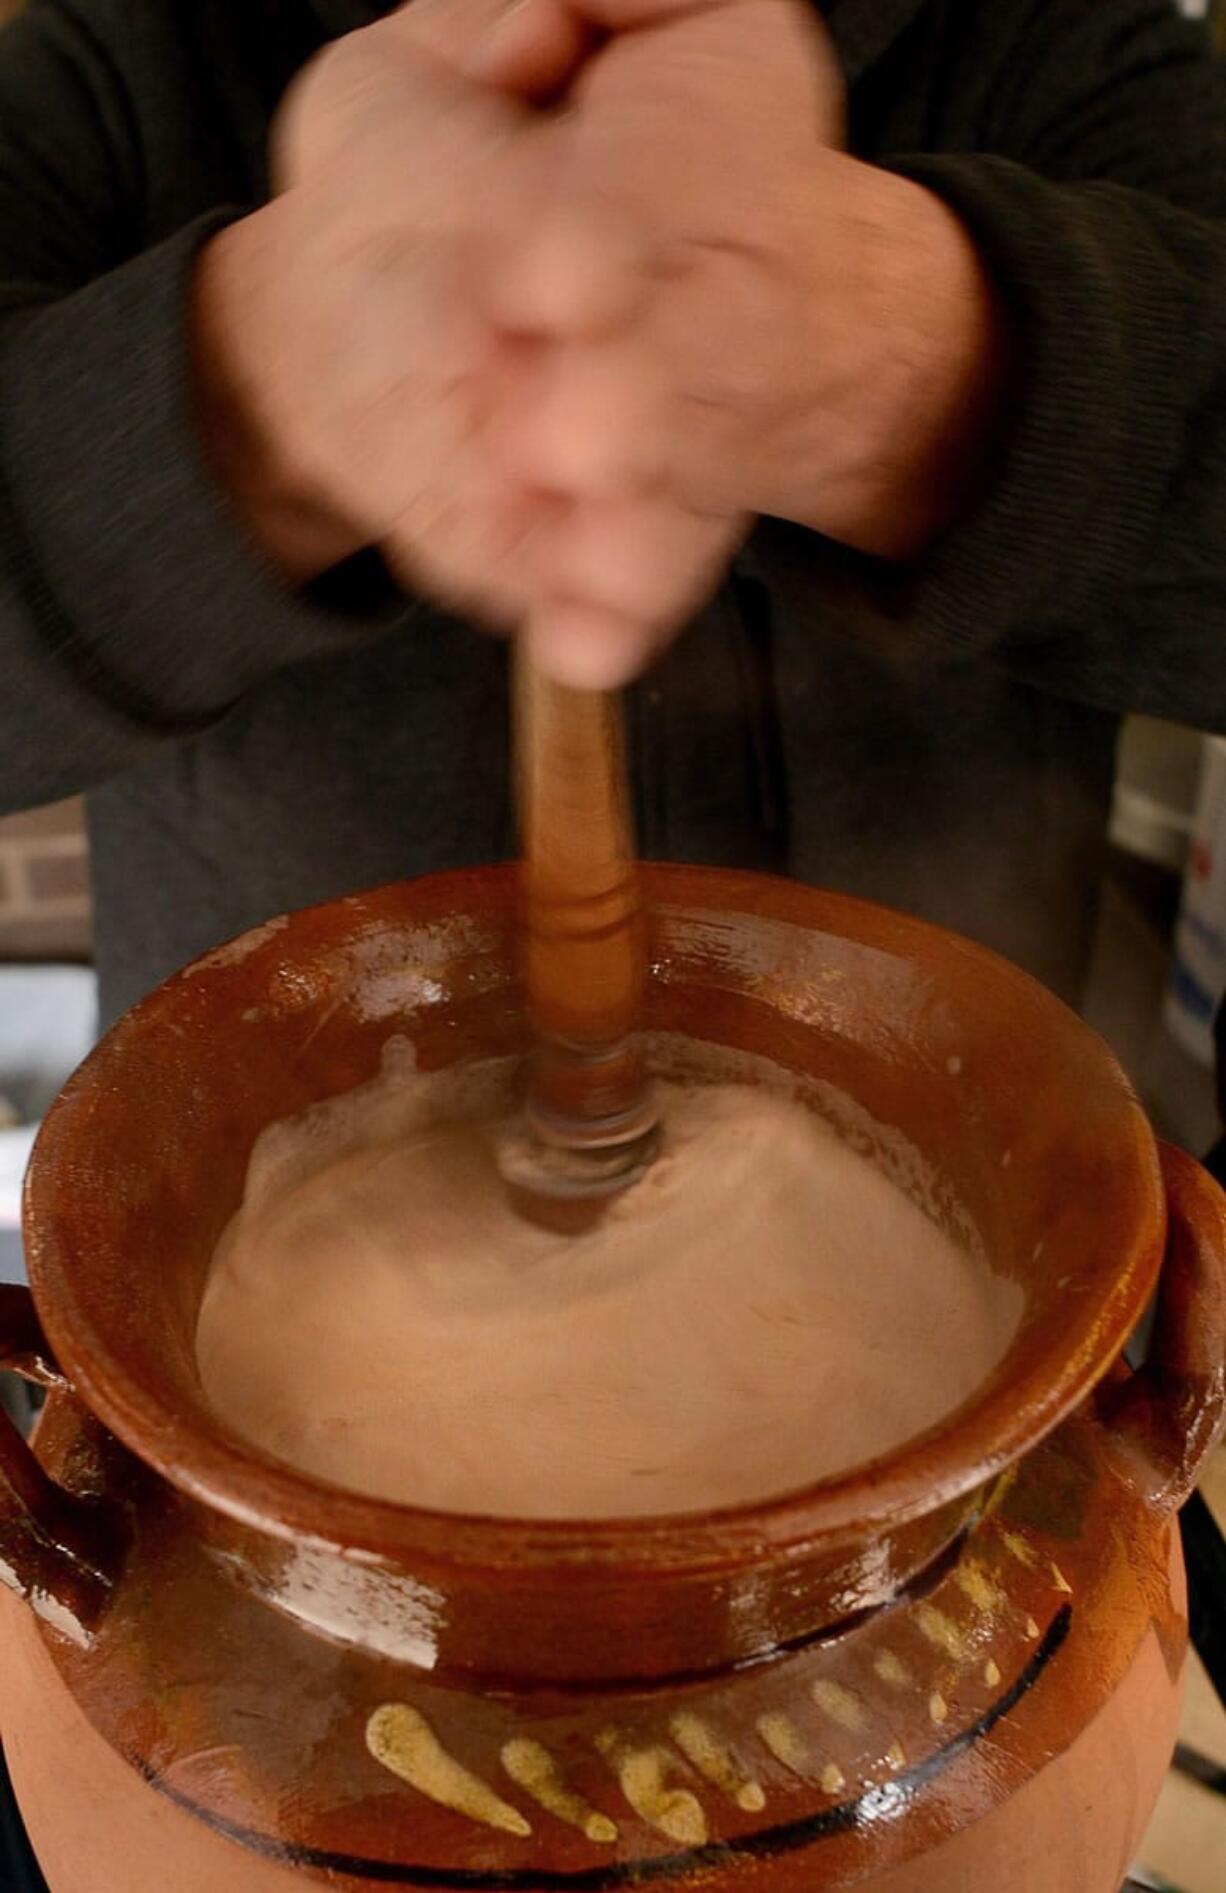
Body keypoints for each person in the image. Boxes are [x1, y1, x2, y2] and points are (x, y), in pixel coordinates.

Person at [0, 0, 1222, 1031]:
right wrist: (245, 390)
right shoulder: (116, 58)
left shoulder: (1053, 41)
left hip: (967, 1176)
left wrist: (942, 361)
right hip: (248, 1198)